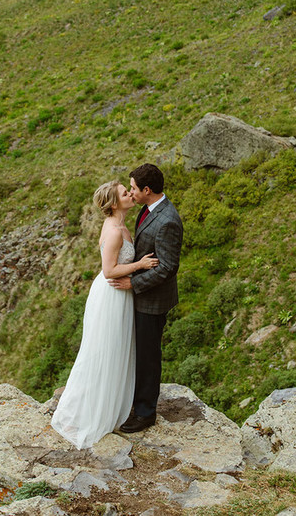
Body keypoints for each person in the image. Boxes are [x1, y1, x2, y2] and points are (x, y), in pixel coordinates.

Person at [51, 180, 159, 449]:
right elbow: (109, 270)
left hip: (120, 294)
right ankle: (92, 411)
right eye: (124, 193)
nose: (130, 194)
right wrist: (140, 265)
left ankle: (109, 403)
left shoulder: (121, 225)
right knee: (104, 350)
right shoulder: (113, 231)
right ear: (114, 203)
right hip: (111, 294)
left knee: (115, 349)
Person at [109, 163, 183, 433]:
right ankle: (133, 401)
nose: (131, 192)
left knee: (148, 356)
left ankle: (145, 413)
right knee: (136, 352)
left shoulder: (168, 220)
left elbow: (168, 267)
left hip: (152, 300)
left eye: (133, 188)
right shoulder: (148, 209)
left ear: (147, 190)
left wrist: (133, 282)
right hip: (140, 295)